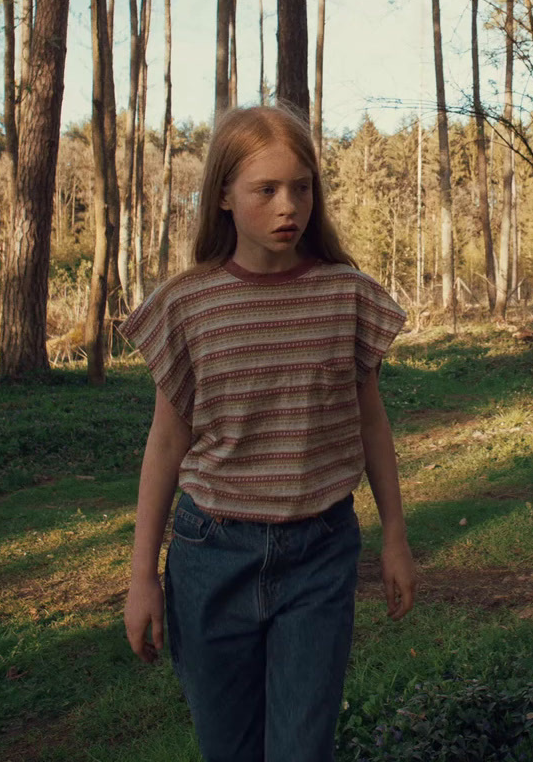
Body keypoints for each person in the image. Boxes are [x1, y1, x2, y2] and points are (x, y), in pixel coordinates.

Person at [121, 105, 415, 762]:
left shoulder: (348, 296)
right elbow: (166, 444)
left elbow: (371, 423)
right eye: (267, 190)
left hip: (320, 556)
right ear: (223, 196)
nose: (291, 207)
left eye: (302, 187)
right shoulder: (188, 303)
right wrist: (142, 577)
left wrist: (395, 535)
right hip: (210, 557)